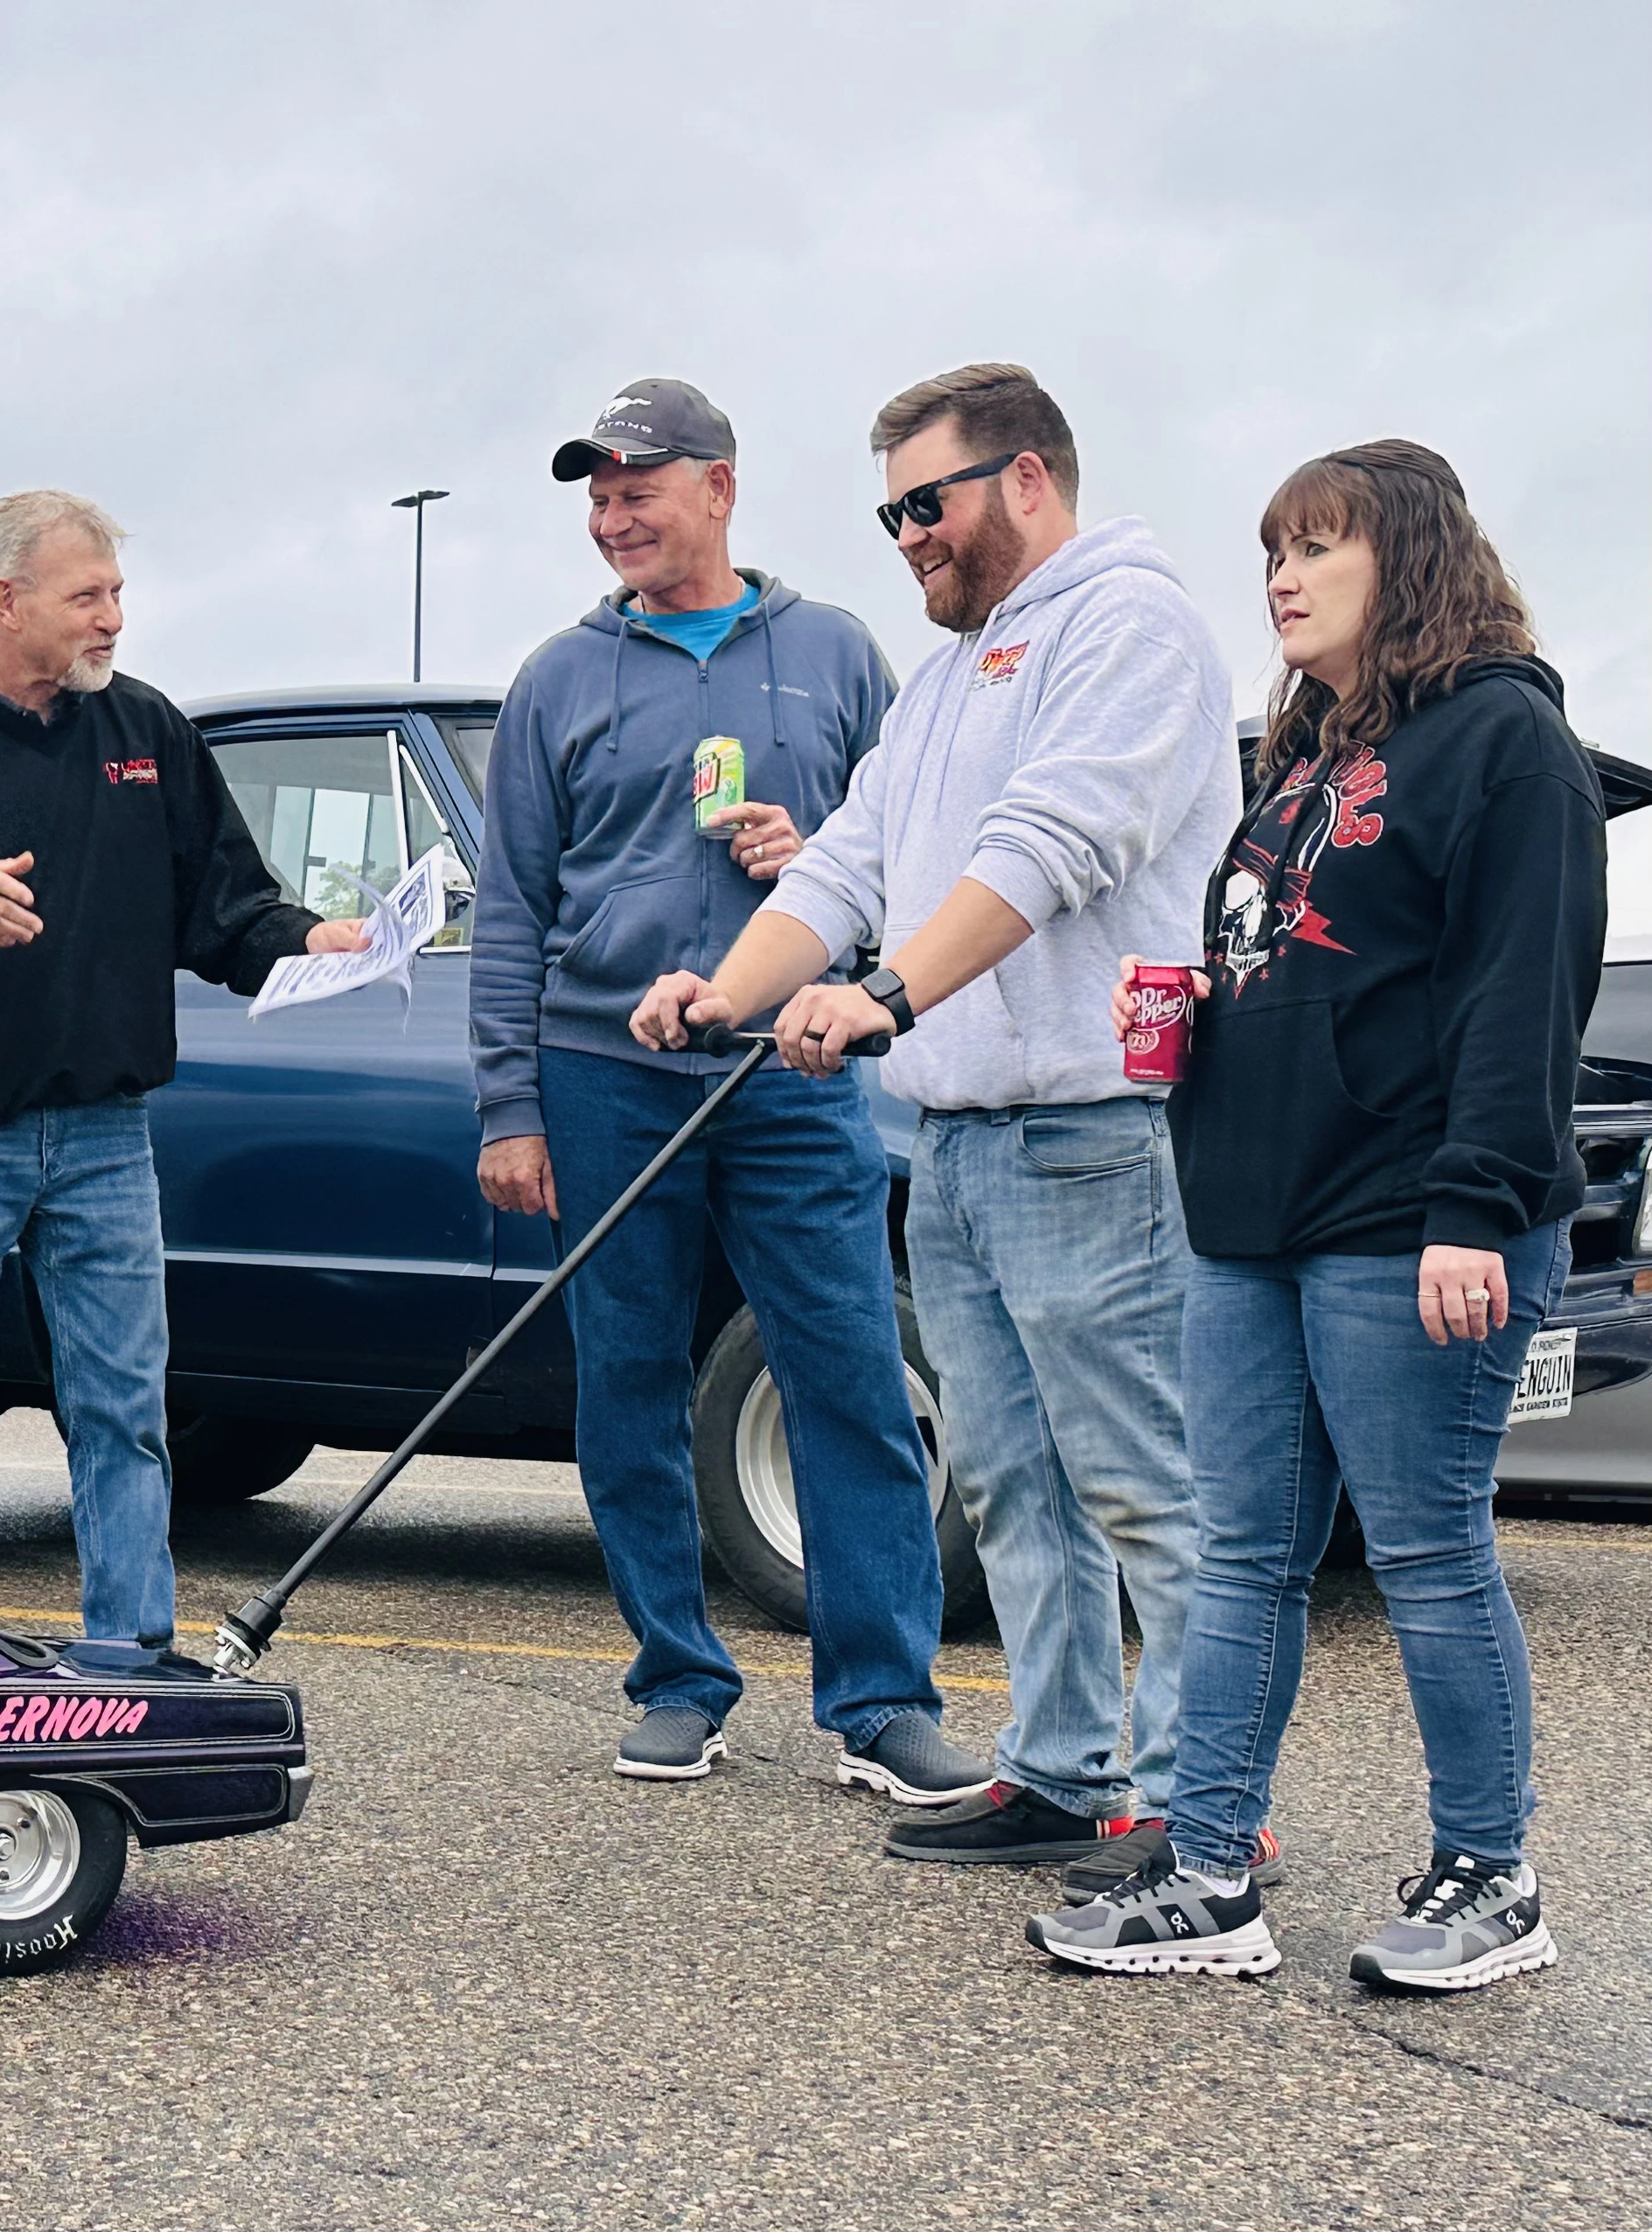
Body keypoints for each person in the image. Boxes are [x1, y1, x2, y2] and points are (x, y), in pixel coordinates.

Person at [634, 363, 1248, 1878]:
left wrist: (886, 999)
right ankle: (1060, 1771)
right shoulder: (950, 672)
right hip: (963, 1139)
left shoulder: (1127, 621)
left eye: (928, 501)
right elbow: (844, 869)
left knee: (1142, 1486)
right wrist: (723, 991)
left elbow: (1057, 847)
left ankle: (1193, 1808)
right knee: (1010, 1481)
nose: (904, 534)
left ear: (1025, 478)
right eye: (888, 510)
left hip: (1093, 1131)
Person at [1028, 443, 1604, 1990]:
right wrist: (1189, 1027)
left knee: (1422, 1548)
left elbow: (1516, 1003)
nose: (1279, 577)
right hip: (1257, 1222)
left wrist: (1473, 1212)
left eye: (1318, 547)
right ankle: (1207, 1879)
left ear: (1405, 560)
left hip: (1414, 1219)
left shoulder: (1505, 748)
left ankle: (1493, 1878)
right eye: (1272, 550)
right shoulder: (1296, 759)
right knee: (1241, 1557)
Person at [472, 376, 988, 1798]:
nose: (614, 514)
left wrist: (814, 861)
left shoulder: (831, 651)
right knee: (626, 1380)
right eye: (596, 492)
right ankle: (677, 1681)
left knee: (844, 1371)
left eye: (638, 485)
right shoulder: (555, 679)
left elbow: (917, 861)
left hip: (793, 1072)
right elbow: (511, 907)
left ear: (720, 487)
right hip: (602, 1072)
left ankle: (881, 1700)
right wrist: (507, 1109)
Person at [0, 490, 364, 1655]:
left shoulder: (146, 736)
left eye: (118, 595)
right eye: (88, 597)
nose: (114, 620)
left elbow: (227, 908)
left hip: (104, 1136)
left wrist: (312, 941)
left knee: (124, 1413)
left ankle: (128, 1652)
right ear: (7, 602)